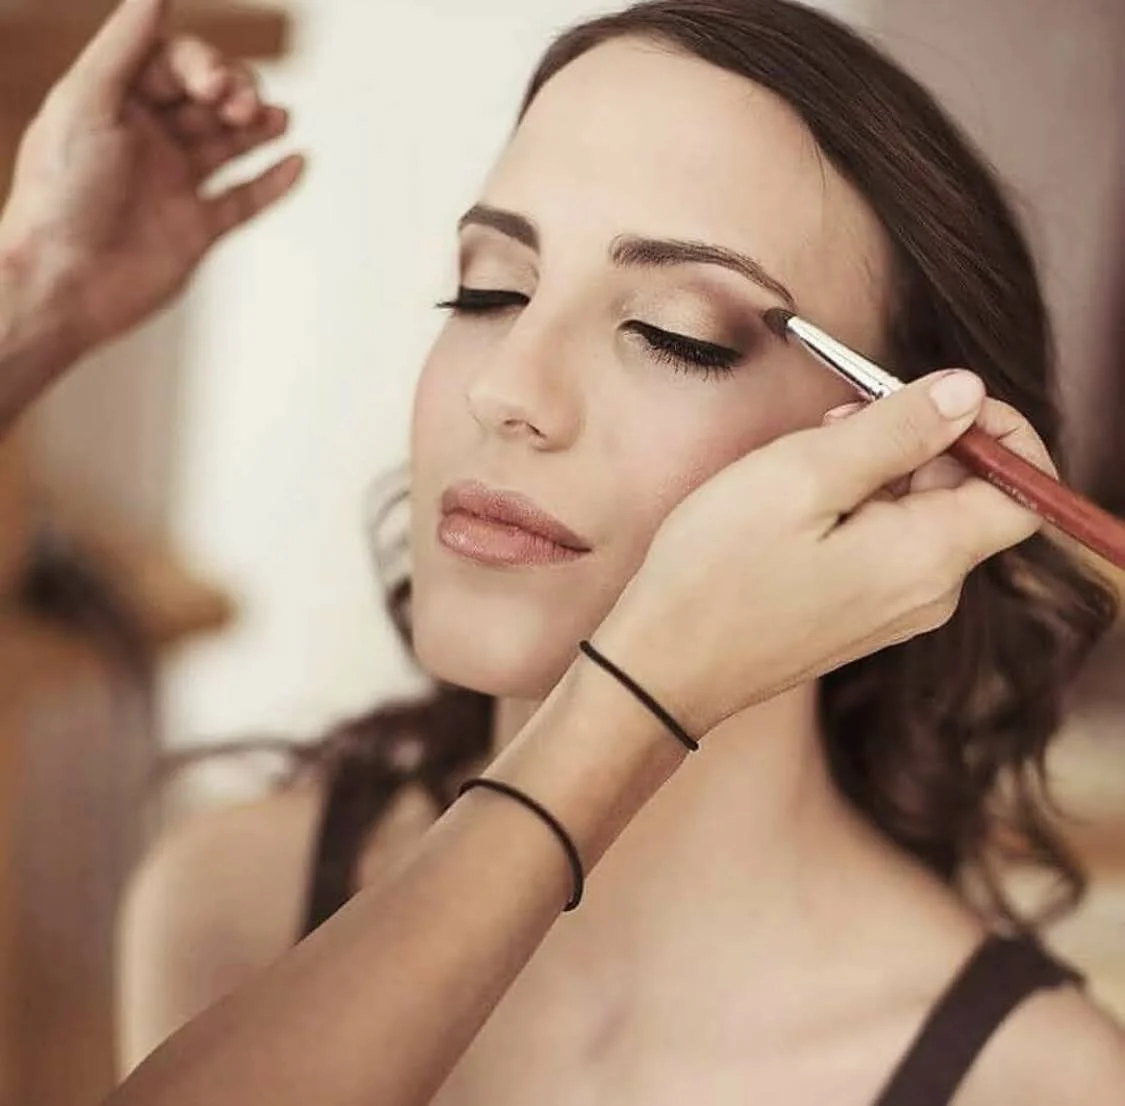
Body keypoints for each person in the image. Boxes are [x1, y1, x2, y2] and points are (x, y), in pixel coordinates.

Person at [0, 1, 1121, 1104]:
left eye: (677, 331)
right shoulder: (230, 903)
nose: (506, 388)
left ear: (917, 468)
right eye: (487, 289)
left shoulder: (1043, 1081)